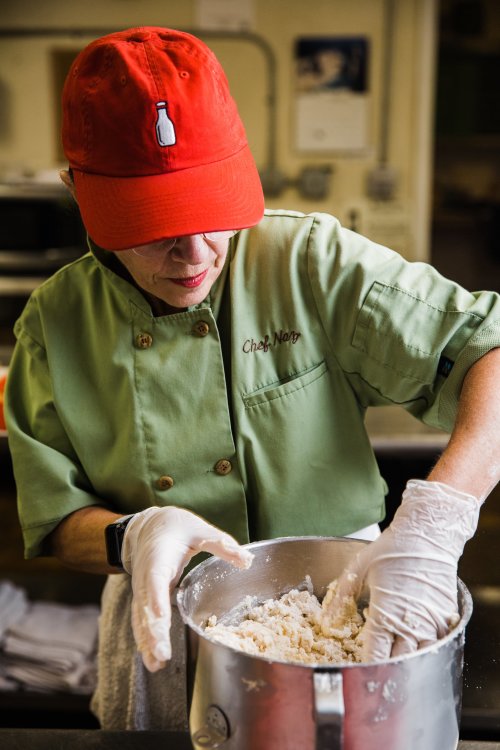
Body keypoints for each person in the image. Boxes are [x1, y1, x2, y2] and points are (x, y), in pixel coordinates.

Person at [4, 26, 500, 731]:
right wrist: (132, 536)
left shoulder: (311, 261)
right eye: (154, 225)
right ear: (78, 193)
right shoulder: (54, 323)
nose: (194, 253)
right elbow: (54, 519)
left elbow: (491, 349)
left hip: (353, 613)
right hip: (164, 635)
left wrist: (437, 523)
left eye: (211, 212)